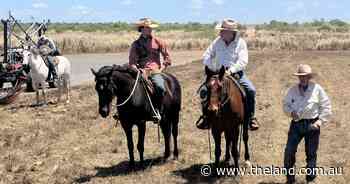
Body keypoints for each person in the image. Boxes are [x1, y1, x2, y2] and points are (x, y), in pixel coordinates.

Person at [196, 18, 259, 131]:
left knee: (251, 90)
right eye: (221, 30)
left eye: (223, 30)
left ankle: (250, 118)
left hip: (235, 74)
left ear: (231, 32)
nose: (220, 32)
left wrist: (230, 70)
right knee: (204, 91)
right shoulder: (217, 41)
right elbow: (206, 56)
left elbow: (243, 61)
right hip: (218, 74)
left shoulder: (241, 43)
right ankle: (206, 117)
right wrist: (213, 67)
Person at [283, 64, 332, 184]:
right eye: (300, 76)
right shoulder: (292, 90)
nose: (302, 78)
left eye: (305, 76)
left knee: (311, 153)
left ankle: (310, 180)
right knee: (289, 151)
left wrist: (319, 122)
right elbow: (285, 105)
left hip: (312, 124)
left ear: (309, 77)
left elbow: (326, 106)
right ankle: (290, 179)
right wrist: (291, 112)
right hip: (296, 124)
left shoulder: (317, 89)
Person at [129, 18, 171, 121]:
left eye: (150, 28)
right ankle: (124, 112)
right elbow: (132, 62)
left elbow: (167, 57)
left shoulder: (158, 41)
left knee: (160, 86)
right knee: (127, 86)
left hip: (155, 70)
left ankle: (158, 109)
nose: (150, 29)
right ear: (142, 29)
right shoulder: (135, 44)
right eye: (148, 28)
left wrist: (162, 69)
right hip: (140, 70)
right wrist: (137, 70)